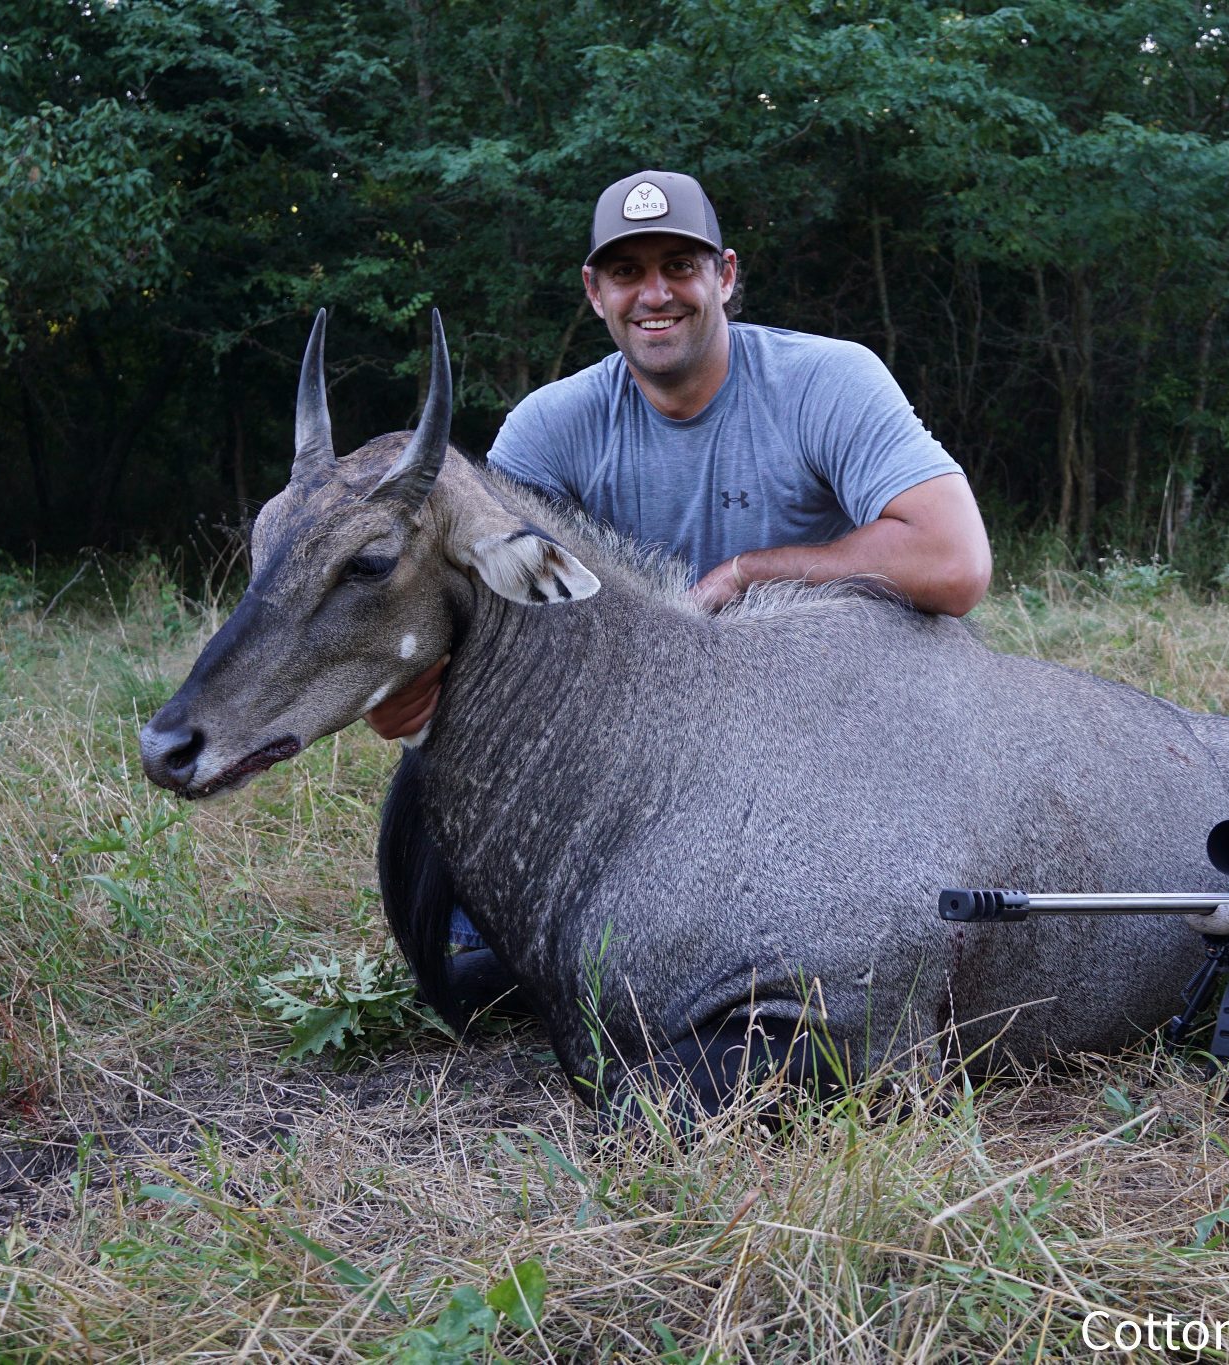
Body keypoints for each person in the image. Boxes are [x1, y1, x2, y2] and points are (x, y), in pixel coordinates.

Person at [371, 169, 993, 1025]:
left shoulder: (828, 380)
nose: (654, 294)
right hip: (648, 743)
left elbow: (955, 562)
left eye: (679, 266)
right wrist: (411, 678)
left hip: (821, 727)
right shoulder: (552, 426)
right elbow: (483, 601)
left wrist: (750, 574)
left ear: (725, 276)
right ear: (595, 292)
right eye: (627, 272)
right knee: (458, 835)